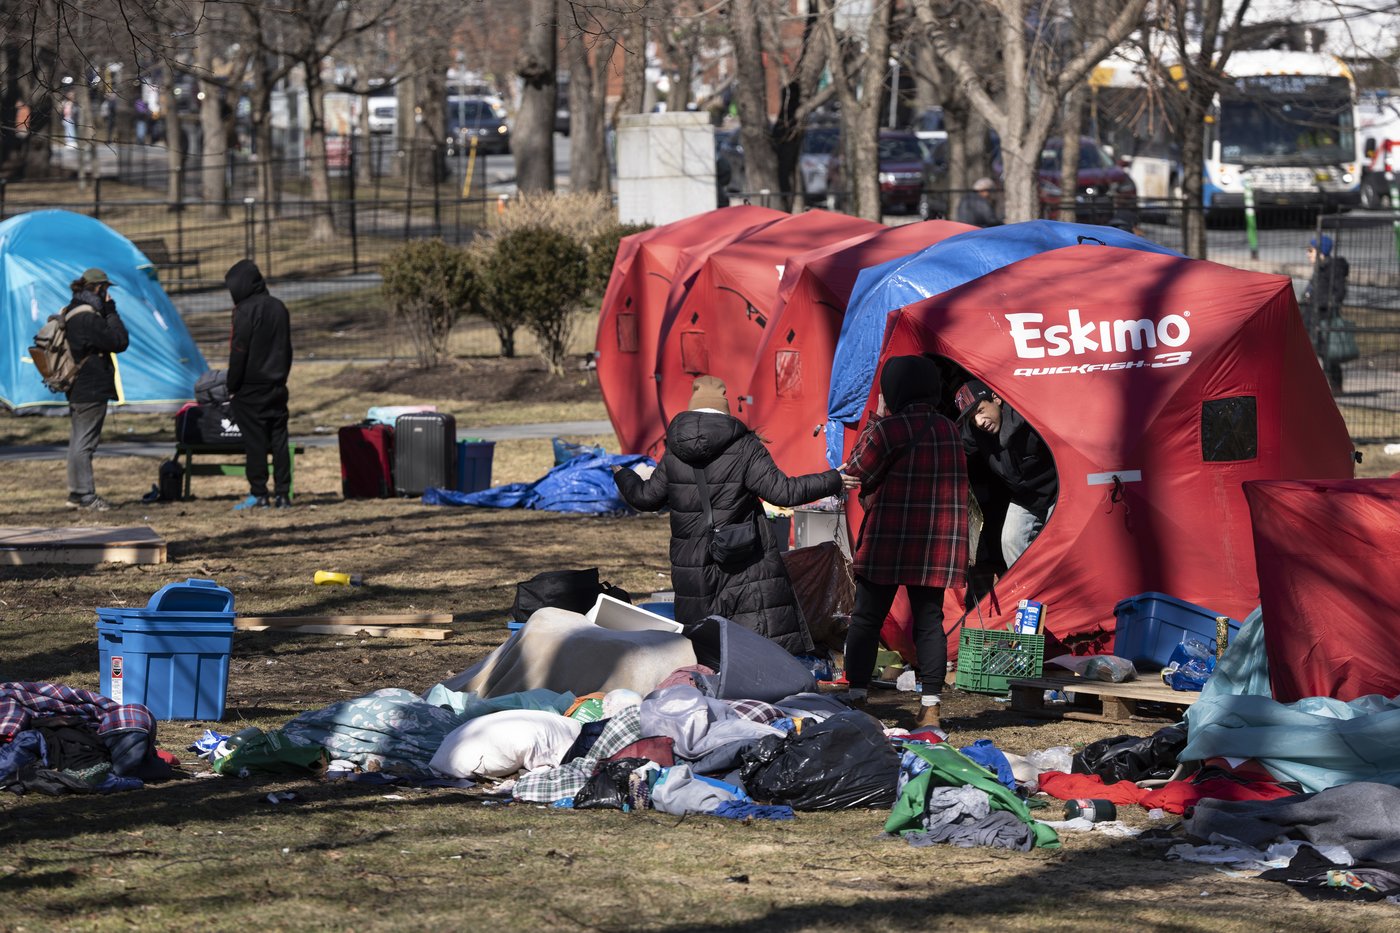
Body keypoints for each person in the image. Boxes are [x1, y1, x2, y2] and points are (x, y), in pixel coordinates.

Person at [613, 375, 841, 655]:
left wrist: (624, 477)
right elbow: (784, 493)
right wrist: (833, 479)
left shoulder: (675, 450)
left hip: (692, 566)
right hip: (743, 563)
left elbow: (646, 497)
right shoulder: (745, 446)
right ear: (724, 407)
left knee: (706, 651)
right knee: (752, 650)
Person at [838, 356, 967, 730]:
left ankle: (858, 698)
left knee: (866, 619)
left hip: (889, 538)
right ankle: (931, 707)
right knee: (930, 622)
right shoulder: (948, 429)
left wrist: (877, 417)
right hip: (936, 543)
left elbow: (856, 469)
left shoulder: (889, 428)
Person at [955, 379, 1057, 568]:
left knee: (1058, 546)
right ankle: (1028, 594)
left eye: (980, 411)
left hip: (1059, 494)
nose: (979, 422)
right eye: (972, 419)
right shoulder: (976, 432)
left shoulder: (1029, 419)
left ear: (996, 399)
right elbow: (953, 451)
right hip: (1025, 498)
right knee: (1011, 541)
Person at [225, 259, 293, 509]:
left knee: (255, 442)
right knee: (279, 440)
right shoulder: (279, 307)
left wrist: (232, 385)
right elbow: (287, 348)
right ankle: (283, 493)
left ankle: (259, 493)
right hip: (276, 384)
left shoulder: (244, 311)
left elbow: (239, 350)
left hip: (250, 388)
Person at [63, 268, 129, 511]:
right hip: (90, 388)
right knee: (85, 443)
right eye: (106, 290)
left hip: (77, 387)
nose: (108, 295)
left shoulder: (71, 310)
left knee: (77, 441)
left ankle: (76, 494)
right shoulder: (89, 317)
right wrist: (111, 312)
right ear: (99, 288)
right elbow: (119, 341)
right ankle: (86, 496)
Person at [1302, 234, 1351, 391]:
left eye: (1311, 250)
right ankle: (1310, 390)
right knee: (1307, 355)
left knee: (1328, 355)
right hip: (1311, 318)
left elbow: (1339, 293)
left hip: (1324, 319)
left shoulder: (1333, 269)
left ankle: (1336, 388)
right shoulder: (1319, 269)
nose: (1307, 254)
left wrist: (1322, 303)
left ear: (1320, 251)